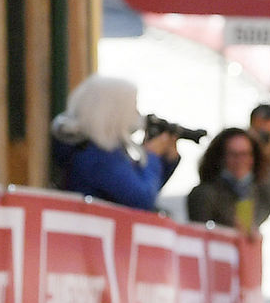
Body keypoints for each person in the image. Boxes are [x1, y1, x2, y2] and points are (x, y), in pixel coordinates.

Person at [50, 74, 181, 211]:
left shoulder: (97, 149)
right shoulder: (98, 157)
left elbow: (145, 188)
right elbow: (141, 200)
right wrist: (152, 156)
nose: (137, 114)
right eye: (133, 107)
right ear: (114, 113)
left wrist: (167, 162)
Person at [187, 127, 270, 232]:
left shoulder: (259, 188)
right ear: (221, 157)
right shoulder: (206, 193)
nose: (240, 161)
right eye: (233, 155)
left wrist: (265, 162)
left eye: (245, 154)